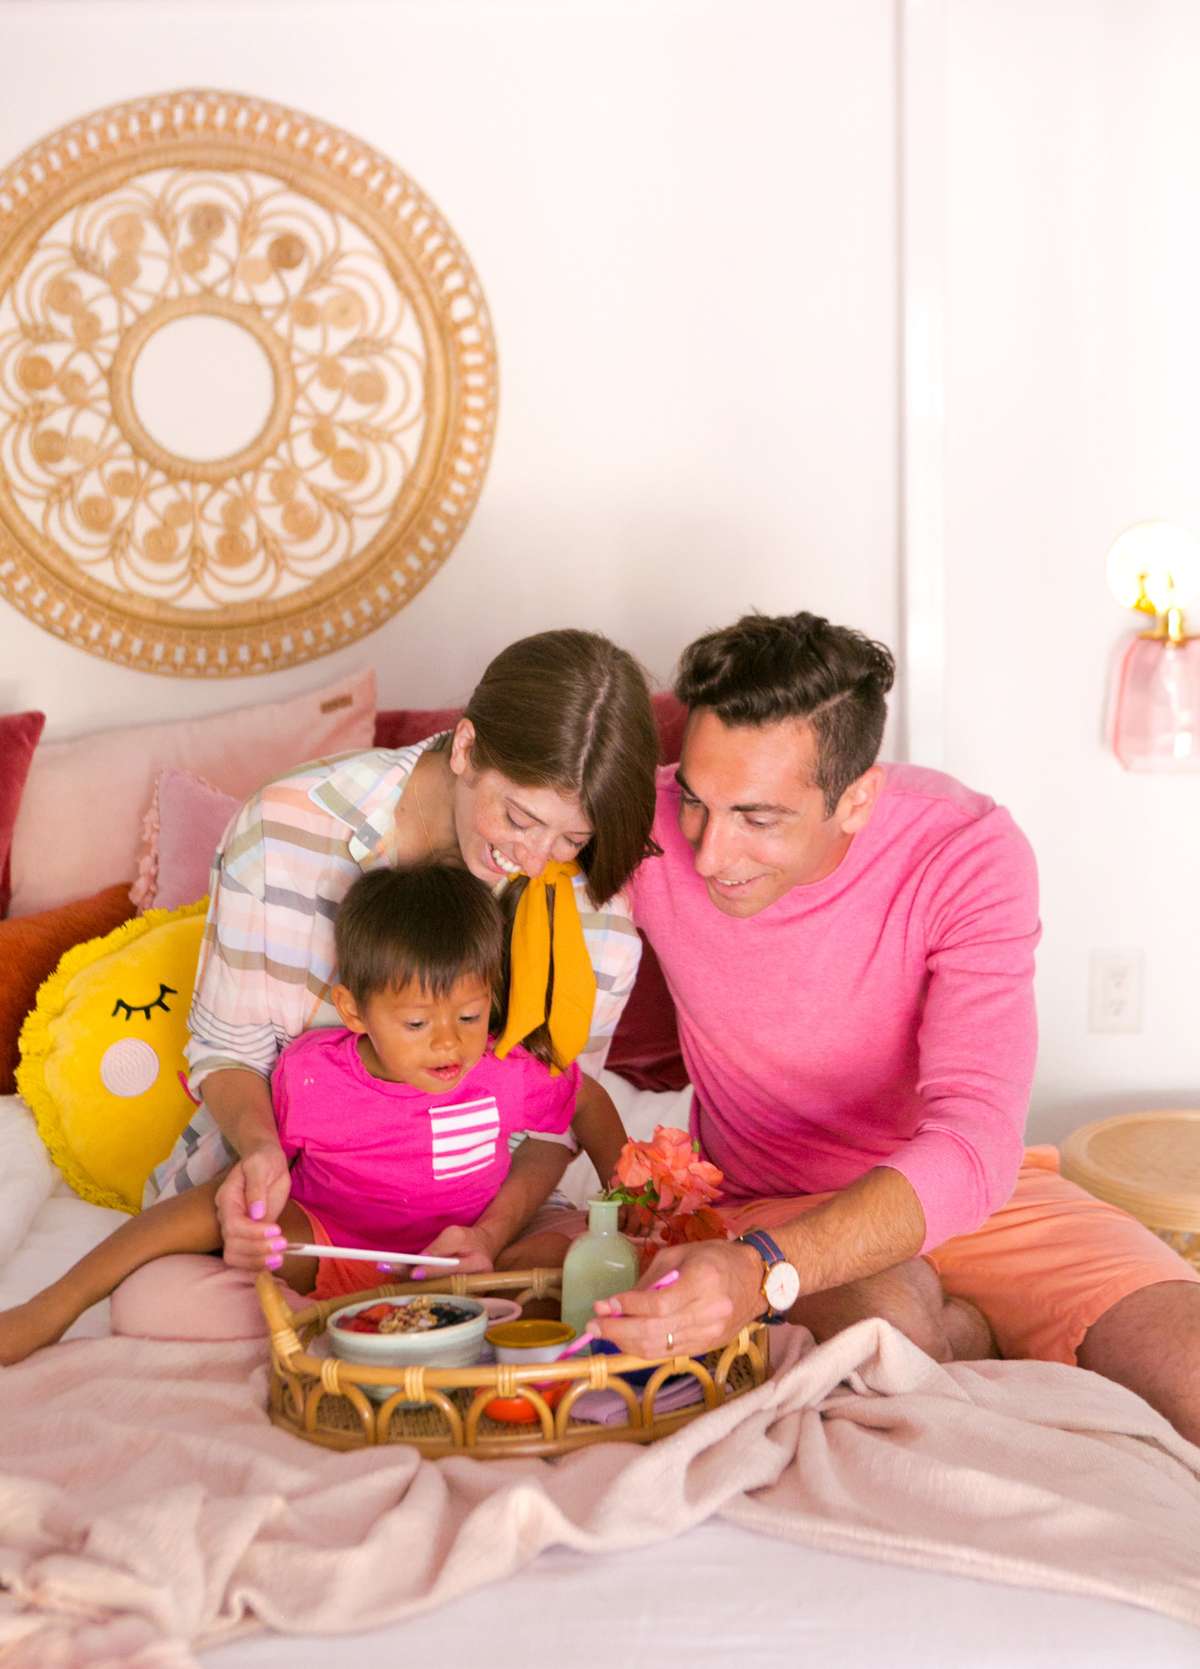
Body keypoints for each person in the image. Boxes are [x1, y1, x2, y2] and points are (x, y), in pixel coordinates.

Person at [586, 612, 1200, 1446]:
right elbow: (468, 820)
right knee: (888, 1334)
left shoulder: (965, 851)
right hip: (765, 1201)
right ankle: (955, 1332)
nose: (709, 853)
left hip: (980, 1199)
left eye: (759, 818)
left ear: (857, 798)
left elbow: (977, 1141)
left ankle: (967, 1329)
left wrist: (762, 1272)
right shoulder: (640, 825)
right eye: (697, 800)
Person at [0, 630, 657, 1362]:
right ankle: (421, 1327)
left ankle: (370, 1324)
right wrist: (258, 1156)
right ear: (467, 747)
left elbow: (557, 1117)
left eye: (572, 838)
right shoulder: (285, 830)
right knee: (154, 1299)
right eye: (520, 818)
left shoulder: (590, 903)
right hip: (315, 1207)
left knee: (592, 1279)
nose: (537, 860)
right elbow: (231, 1051)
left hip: (480, 1221)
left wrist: (497, 1235)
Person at [0, 861, 627, 1350]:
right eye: (415, 1023)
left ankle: (371, 1328)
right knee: (152, 1297)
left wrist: (632, 1208)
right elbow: (250, 1183)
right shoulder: (313, 1073)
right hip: (335, 1248)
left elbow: (587, 1103)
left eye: (468, 1015)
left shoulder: (503, 1069)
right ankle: (53, 1306)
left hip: (471, 1261)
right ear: (354, 1010)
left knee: (586, 1265)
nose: (448, 1042)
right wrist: (249, 1218)